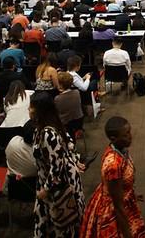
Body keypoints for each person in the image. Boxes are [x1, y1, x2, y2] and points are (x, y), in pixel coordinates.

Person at [81, 116, 145, 238]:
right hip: (115, 211)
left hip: (123, 200)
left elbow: (120, 184)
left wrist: (131, 194)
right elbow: (117, 207)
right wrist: (127, 234)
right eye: (126, 134)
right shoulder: (113, 166)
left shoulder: (120, 149)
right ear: (114, 138)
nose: (130, 136)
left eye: (129, 132)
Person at [30, 94, 85, 238]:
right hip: (52, 182)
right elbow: (68, 145)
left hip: (57, 185)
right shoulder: (46, 126)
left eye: (31, 107)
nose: (29, 110)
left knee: (63, 224)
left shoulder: (48, 133)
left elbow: (56, 166)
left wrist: (46, 190)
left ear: (40, 110)